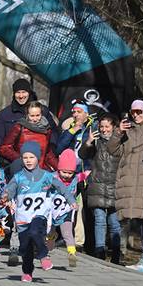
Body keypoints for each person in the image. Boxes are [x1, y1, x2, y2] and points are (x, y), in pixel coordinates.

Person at [4, 141, 77, 282]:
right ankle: (27, 272)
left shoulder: (46, 176)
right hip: (23, 217)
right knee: (25, 249)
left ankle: (43, 256)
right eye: (25, 158)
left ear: (38, 158)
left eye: (31, 157)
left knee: (35, 232)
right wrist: (5, 197)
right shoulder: (18, 177)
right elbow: (9, 190)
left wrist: (71, 201)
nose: (28, 161)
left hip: (40, 215)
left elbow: (62, 187)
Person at [107, 100, 143, 273]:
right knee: (140, 221)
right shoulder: (128, 131)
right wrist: (118, 132)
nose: (135, 115)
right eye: (133, 112)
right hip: (130, 181)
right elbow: (113, 150)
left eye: (139, 111)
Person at [79, 115, 122, 263]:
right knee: (99, 220)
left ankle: (116, 253)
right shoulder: (96, 142)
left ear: (114, 127)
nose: (104, 130)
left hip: (114, 185)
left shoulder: (120, 141)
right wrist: (89, 142)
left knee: (114, 222)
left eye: (107, 127)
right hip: (97, 185)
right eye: (101, 127)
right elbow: (82, 154)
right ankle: (99, 251)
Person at [56, 102, 94, 250]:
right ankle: (65, 236)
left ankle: (79, 241)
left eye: (79, 112)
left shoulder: (92, 127)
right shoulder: (70, 127)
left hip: (86, 171)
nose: (75, 115)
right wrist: (72, 131)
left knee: (81, 207)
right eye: (74, 112)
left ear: (86, 114)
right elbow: (60, 147)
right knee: (67, 204)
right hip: (70, 172)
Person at [49, 150, 90, 268]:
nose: (67, 175)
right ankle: (49, 244)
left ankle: (72, 253)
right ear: (58, 169)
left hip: (66, 211)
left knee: (68, 233)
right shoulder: (52, 177)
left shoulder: (75, 179)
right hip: (51, 212)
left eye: (70, 173)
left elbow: (85, 174)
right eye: (64, 172)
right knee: (50, 231)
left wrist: (90, 171)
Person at [0, 78, 57, 146]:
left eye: (24, 92)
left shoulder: (43, 110)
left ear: (29, 93)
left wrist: (51, 149)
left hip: (40, 152)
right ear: (14, 94)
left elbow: (54, 133)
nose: (21, 96)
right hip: (13, 154)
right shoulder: (4, 114)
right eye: (18, 92)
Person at [0, 100, 58, 170]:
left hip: (40, 170)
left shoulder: (46, 129)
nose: (35, 119)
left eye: (37, 115)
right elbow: (4, 148)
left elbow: (48, 153)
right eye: (32, 116)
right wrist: (21, 159)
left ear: (41, 114)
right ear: (27, 115)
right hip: (23, 169)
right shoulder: (20, 127)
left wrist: (59, 168)